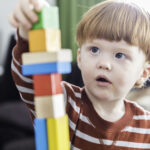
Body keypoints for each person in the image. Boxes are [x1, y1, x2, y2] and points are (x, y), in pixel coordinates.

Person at [9, 0, 150, 149]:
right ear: (80, 58)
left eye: (120, 55)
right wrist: (28, 34)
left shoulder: (146, 127)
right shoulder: (65, 101)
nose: (103, 63)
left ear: (143, 72)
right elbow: (30, 80)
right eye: (94, 50)